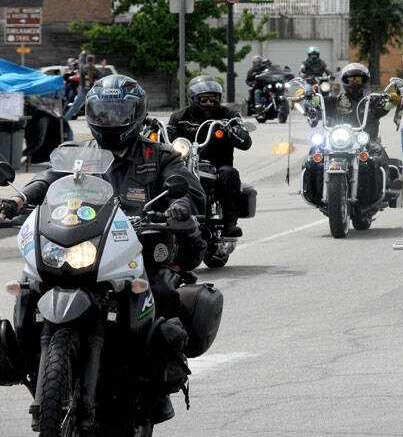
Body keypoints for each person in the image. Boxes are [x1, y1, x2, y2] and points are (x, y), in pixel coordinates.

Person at [0, 75, 205, 424]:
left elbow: (187, 189)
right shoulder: (80, 154)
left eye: (117, 111)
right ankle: (26, 362)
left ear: (136, 115)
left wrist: (180, 206)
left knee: (161, 292)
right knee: (29, 285)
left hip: (136, 247)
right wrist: (18, 199)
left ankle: (160, 380)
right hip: (86, 242)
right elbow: (49, 180)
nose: (109, 119)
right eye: (103, 112)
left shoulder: (159, 156)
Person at [167, 76, 252, 238]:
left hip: (217, 166)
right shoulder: (180, 117)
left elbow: (245, 143)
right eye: (204, 100)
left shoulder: (228, 115)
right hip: (184, 164)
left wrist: (236, 131)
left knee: (229, 174)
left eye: (213, 99)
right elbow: (167, 136)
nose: (209, 103)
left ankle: (229, 223)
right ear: (193, 99)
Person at [309, 62, 403, 197]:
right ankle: (312, 191)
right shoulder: (336, 101)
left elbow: (386, 106)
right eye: (350, 79)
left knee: (380, 155)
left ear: (364, 80)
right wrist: (309, 97)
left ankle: (387, 189)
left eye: (357, 79)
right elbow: (320, 102)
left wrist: (393, 100)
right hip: (339, 141)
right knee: (314, 154)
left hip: (366, 141)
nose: (354, 82)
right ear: (344, 81)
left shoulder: (372, 101)